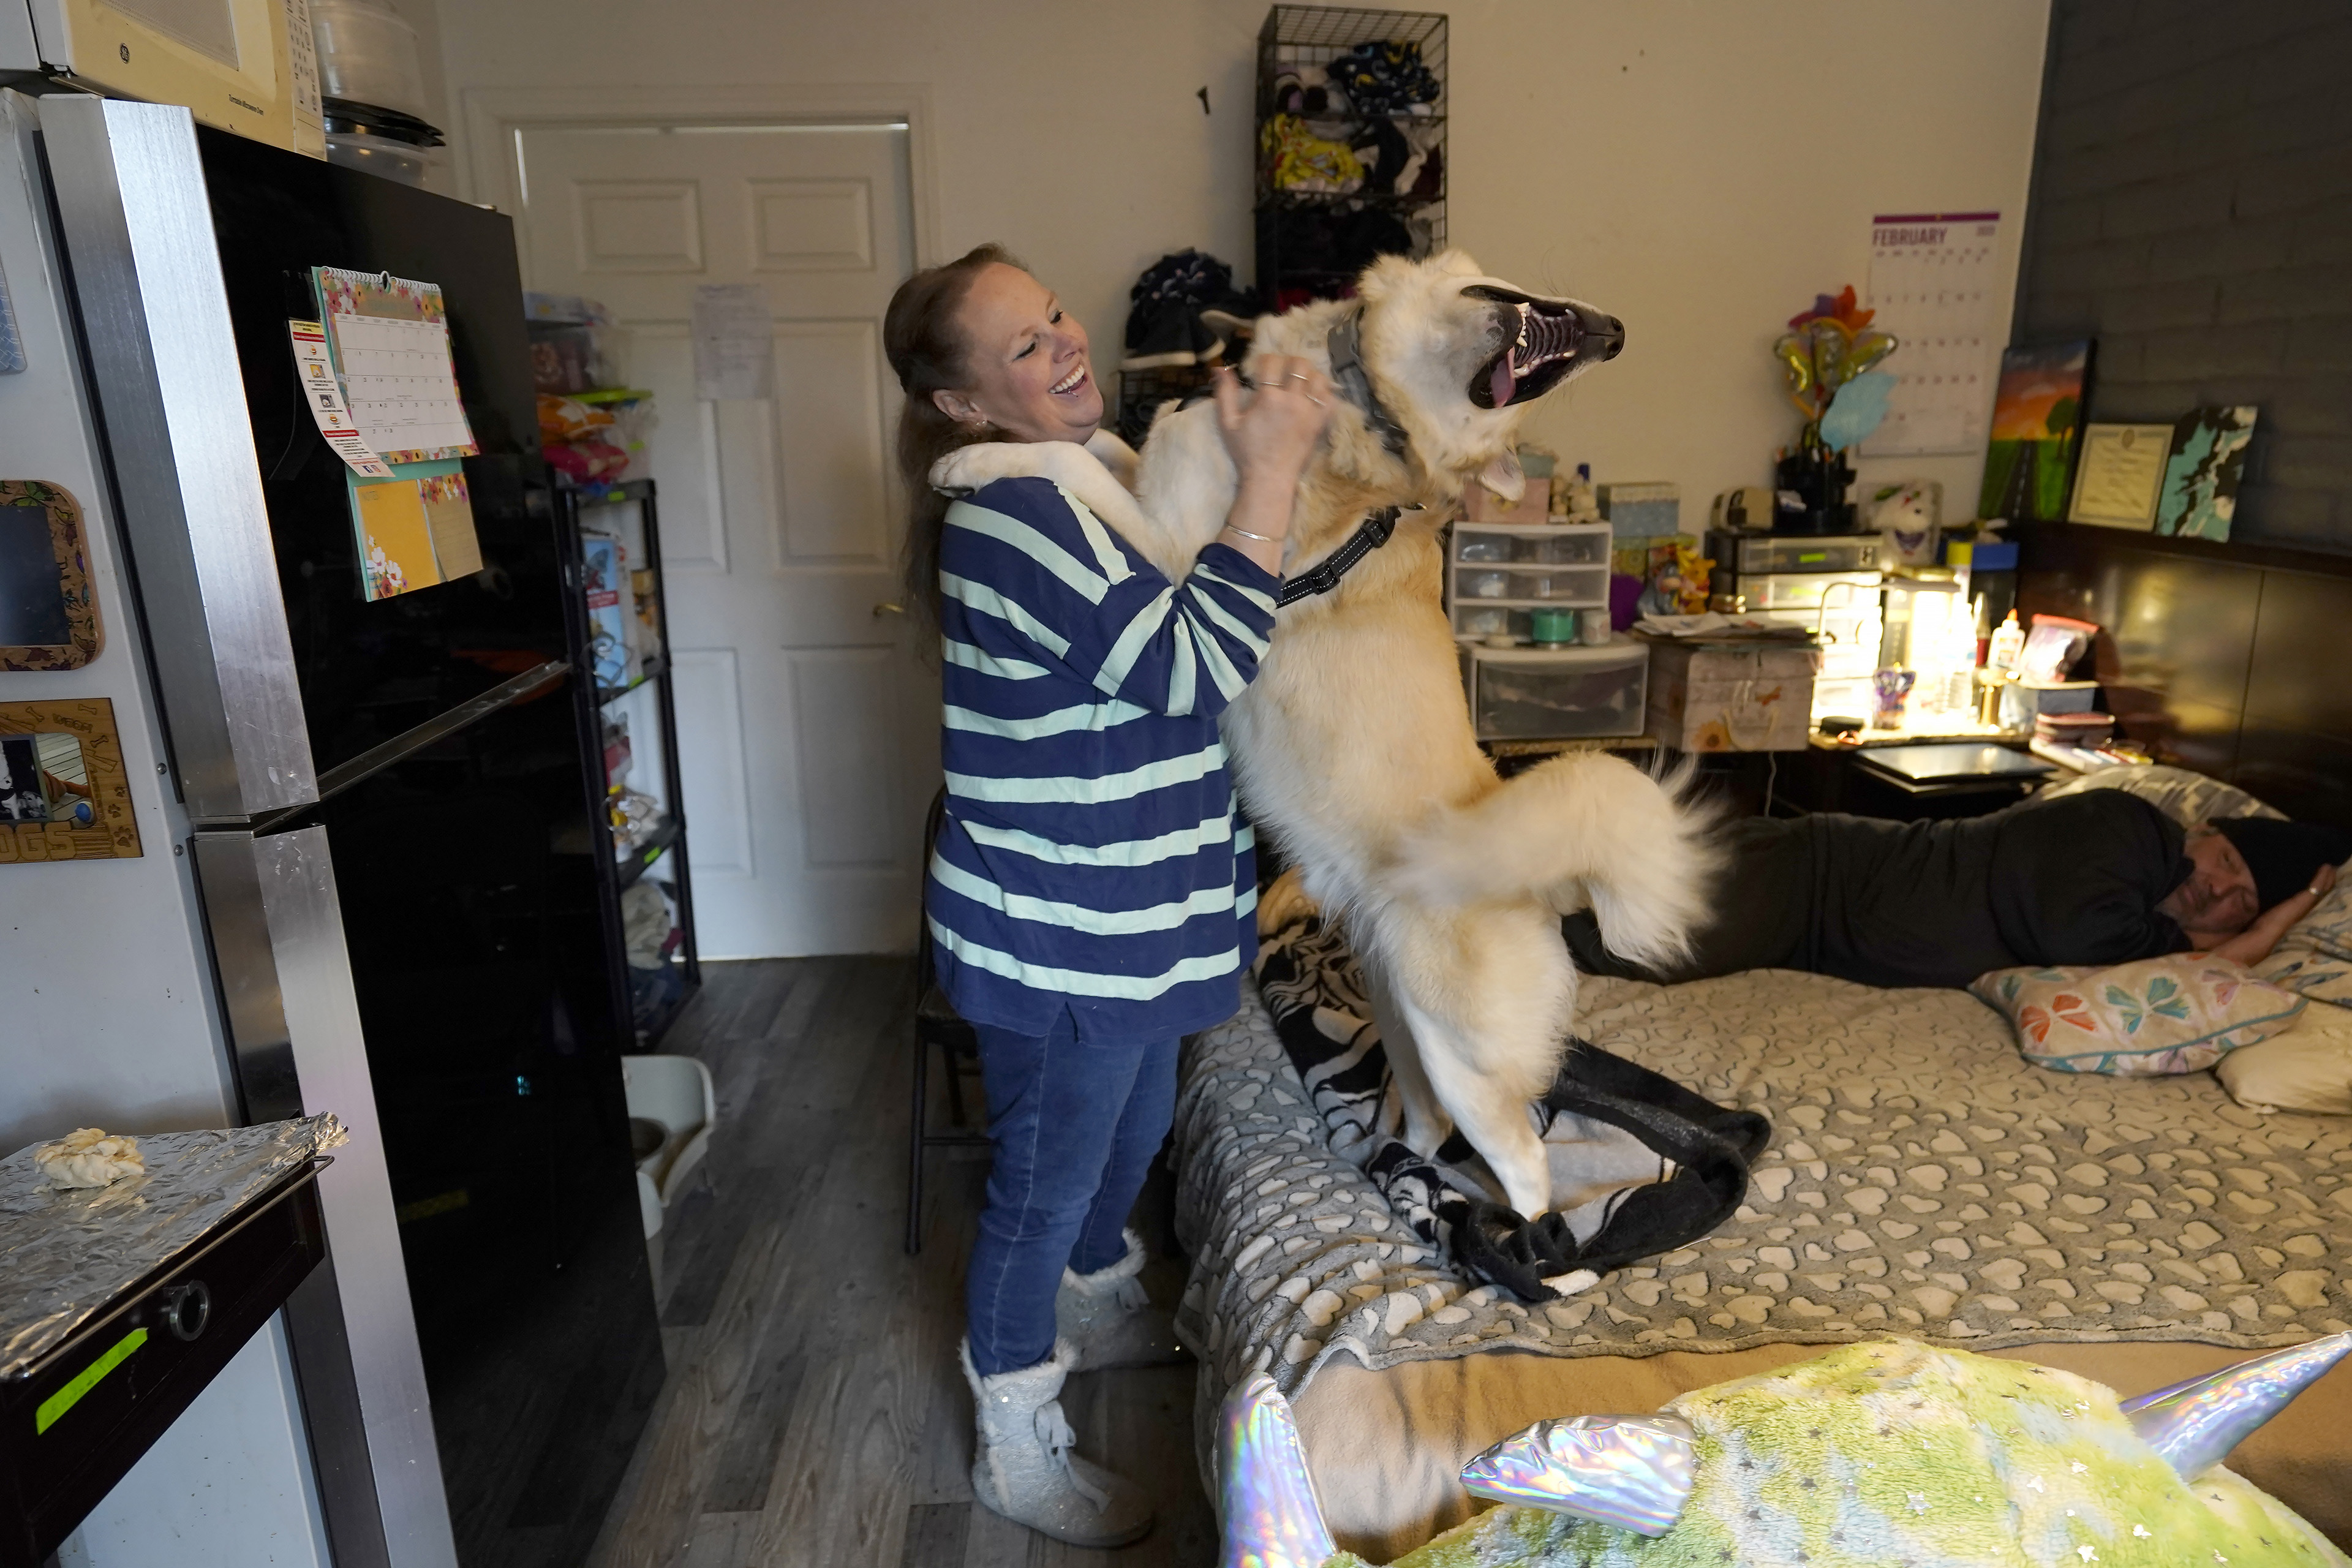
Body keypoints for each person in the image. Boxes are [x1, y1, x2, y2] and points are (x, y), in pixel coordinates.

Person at [884, 245, 1331, 1548]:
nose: (1066, 344)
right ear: (964, 406)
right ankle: (1015, 1437)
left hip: (1122, 913)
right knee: (1042, 1178)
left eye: (1055, 315)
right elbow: (1197, 660)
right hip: (1061, 930)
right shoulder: (1018, 514)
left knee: (1130, 1136)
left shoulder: (1092, 480)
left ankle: (1091, 1288)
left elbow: (1194, 627)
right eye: (1022, 347)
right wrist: (1272, 474)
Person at [1565, 789, 2350, 991]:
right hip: (1811, 880)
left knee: (1606, 918)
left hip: (1813, 930)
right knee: (1617, 948)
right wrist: (2236, 940)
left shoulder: (2145, 901)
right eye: (2229, 869)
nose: (2217, 894)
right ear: (2210, 834)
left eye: (2242, 902)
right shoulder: (2129, 829)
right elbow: (2080, 935)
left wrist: (2259, 934)